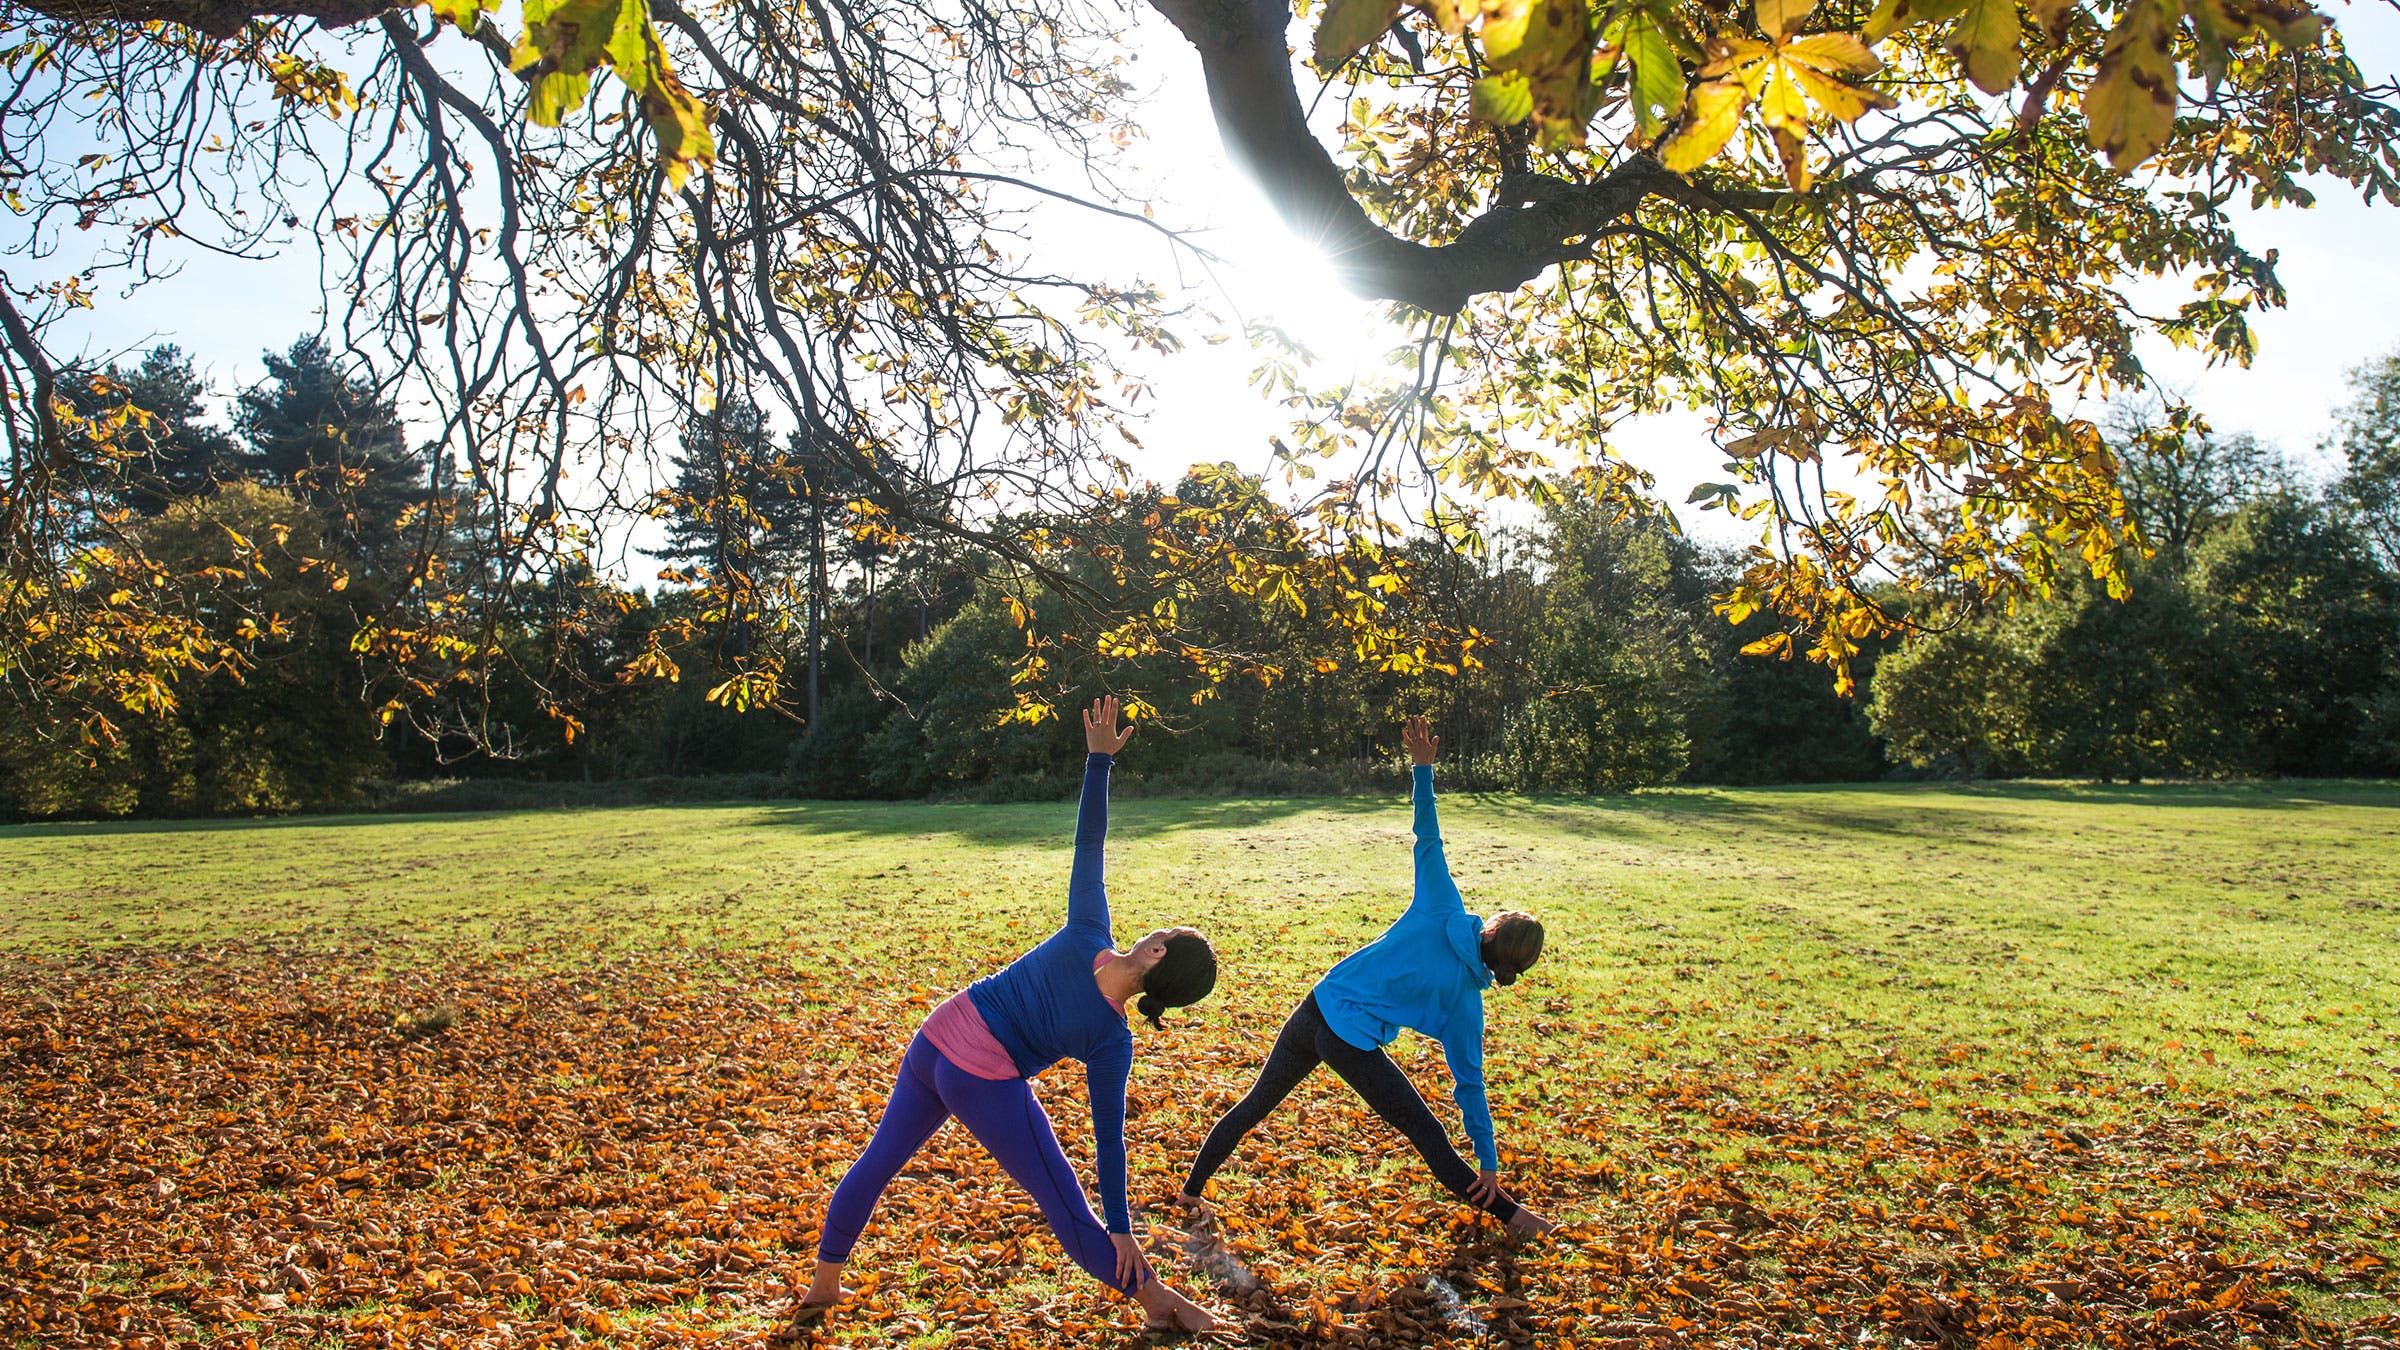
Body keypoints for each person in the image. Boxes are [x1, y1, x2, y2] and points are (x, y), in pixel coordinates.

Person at [797, 696, 1220, 1332]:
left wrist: (1099, 761)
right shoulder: (1112, 1039)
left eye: (1164, 930)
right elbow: (1109, 1142)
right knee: (1064, 1204)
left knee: (877, 1164)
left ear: (1156, 950)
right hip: (976, 1073)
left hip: (937, 1037)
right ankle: (1158, 1301)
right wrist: (1121, 1229)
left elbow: (1090, 840)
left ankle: (823, 1285)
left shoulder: (1088, 930)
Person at [1177, 716, 1553, 1238]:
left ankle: (1189, 1191)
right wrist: (1487, 1160)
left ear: (1490, 927)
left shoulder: (1443, 905)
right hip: (1343, 1037)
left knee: (1255, 1105)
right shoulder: (1466, 1005)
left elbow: (1429, 836)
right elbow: (1470, 1085)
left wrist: (1422, 769)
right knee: (1427, 1133)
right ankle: (1517, 1220)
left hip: (1319, 1002)